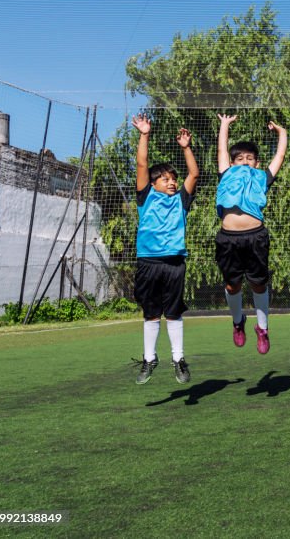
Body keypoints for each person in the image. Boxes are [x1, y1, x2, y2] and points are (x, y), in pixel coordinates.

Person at [131, 114, 199, 385]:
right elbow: (142, 163)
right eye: (166, 179)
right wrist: (144, 134)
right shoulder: (145, 196)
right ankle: (149, 359)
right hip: (148, 262)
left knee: (173, 312)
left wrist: (186, 148)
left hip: (174, 263)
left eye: (173, 178)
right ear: (154, 183)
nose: (172, 182)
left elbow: (194, 173)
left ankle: (178, 359)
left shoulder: (181, 200)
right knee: (150, 313)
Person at [215, 114, 287, 354]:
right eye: (240, 158)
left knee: (258, 284)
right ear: (232, 163)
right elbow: (223, 150)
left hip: (255, 236)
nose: (245, 161)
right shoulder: (226, 173)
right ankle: (238, 322)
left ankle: (263, 328)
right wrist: (224, 125)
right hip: (228, 239)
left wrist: (282, 133)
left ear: (256, 163)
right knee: (232, 285)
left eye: (250, 158)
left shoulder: (261, 178)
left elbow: (279, 157)